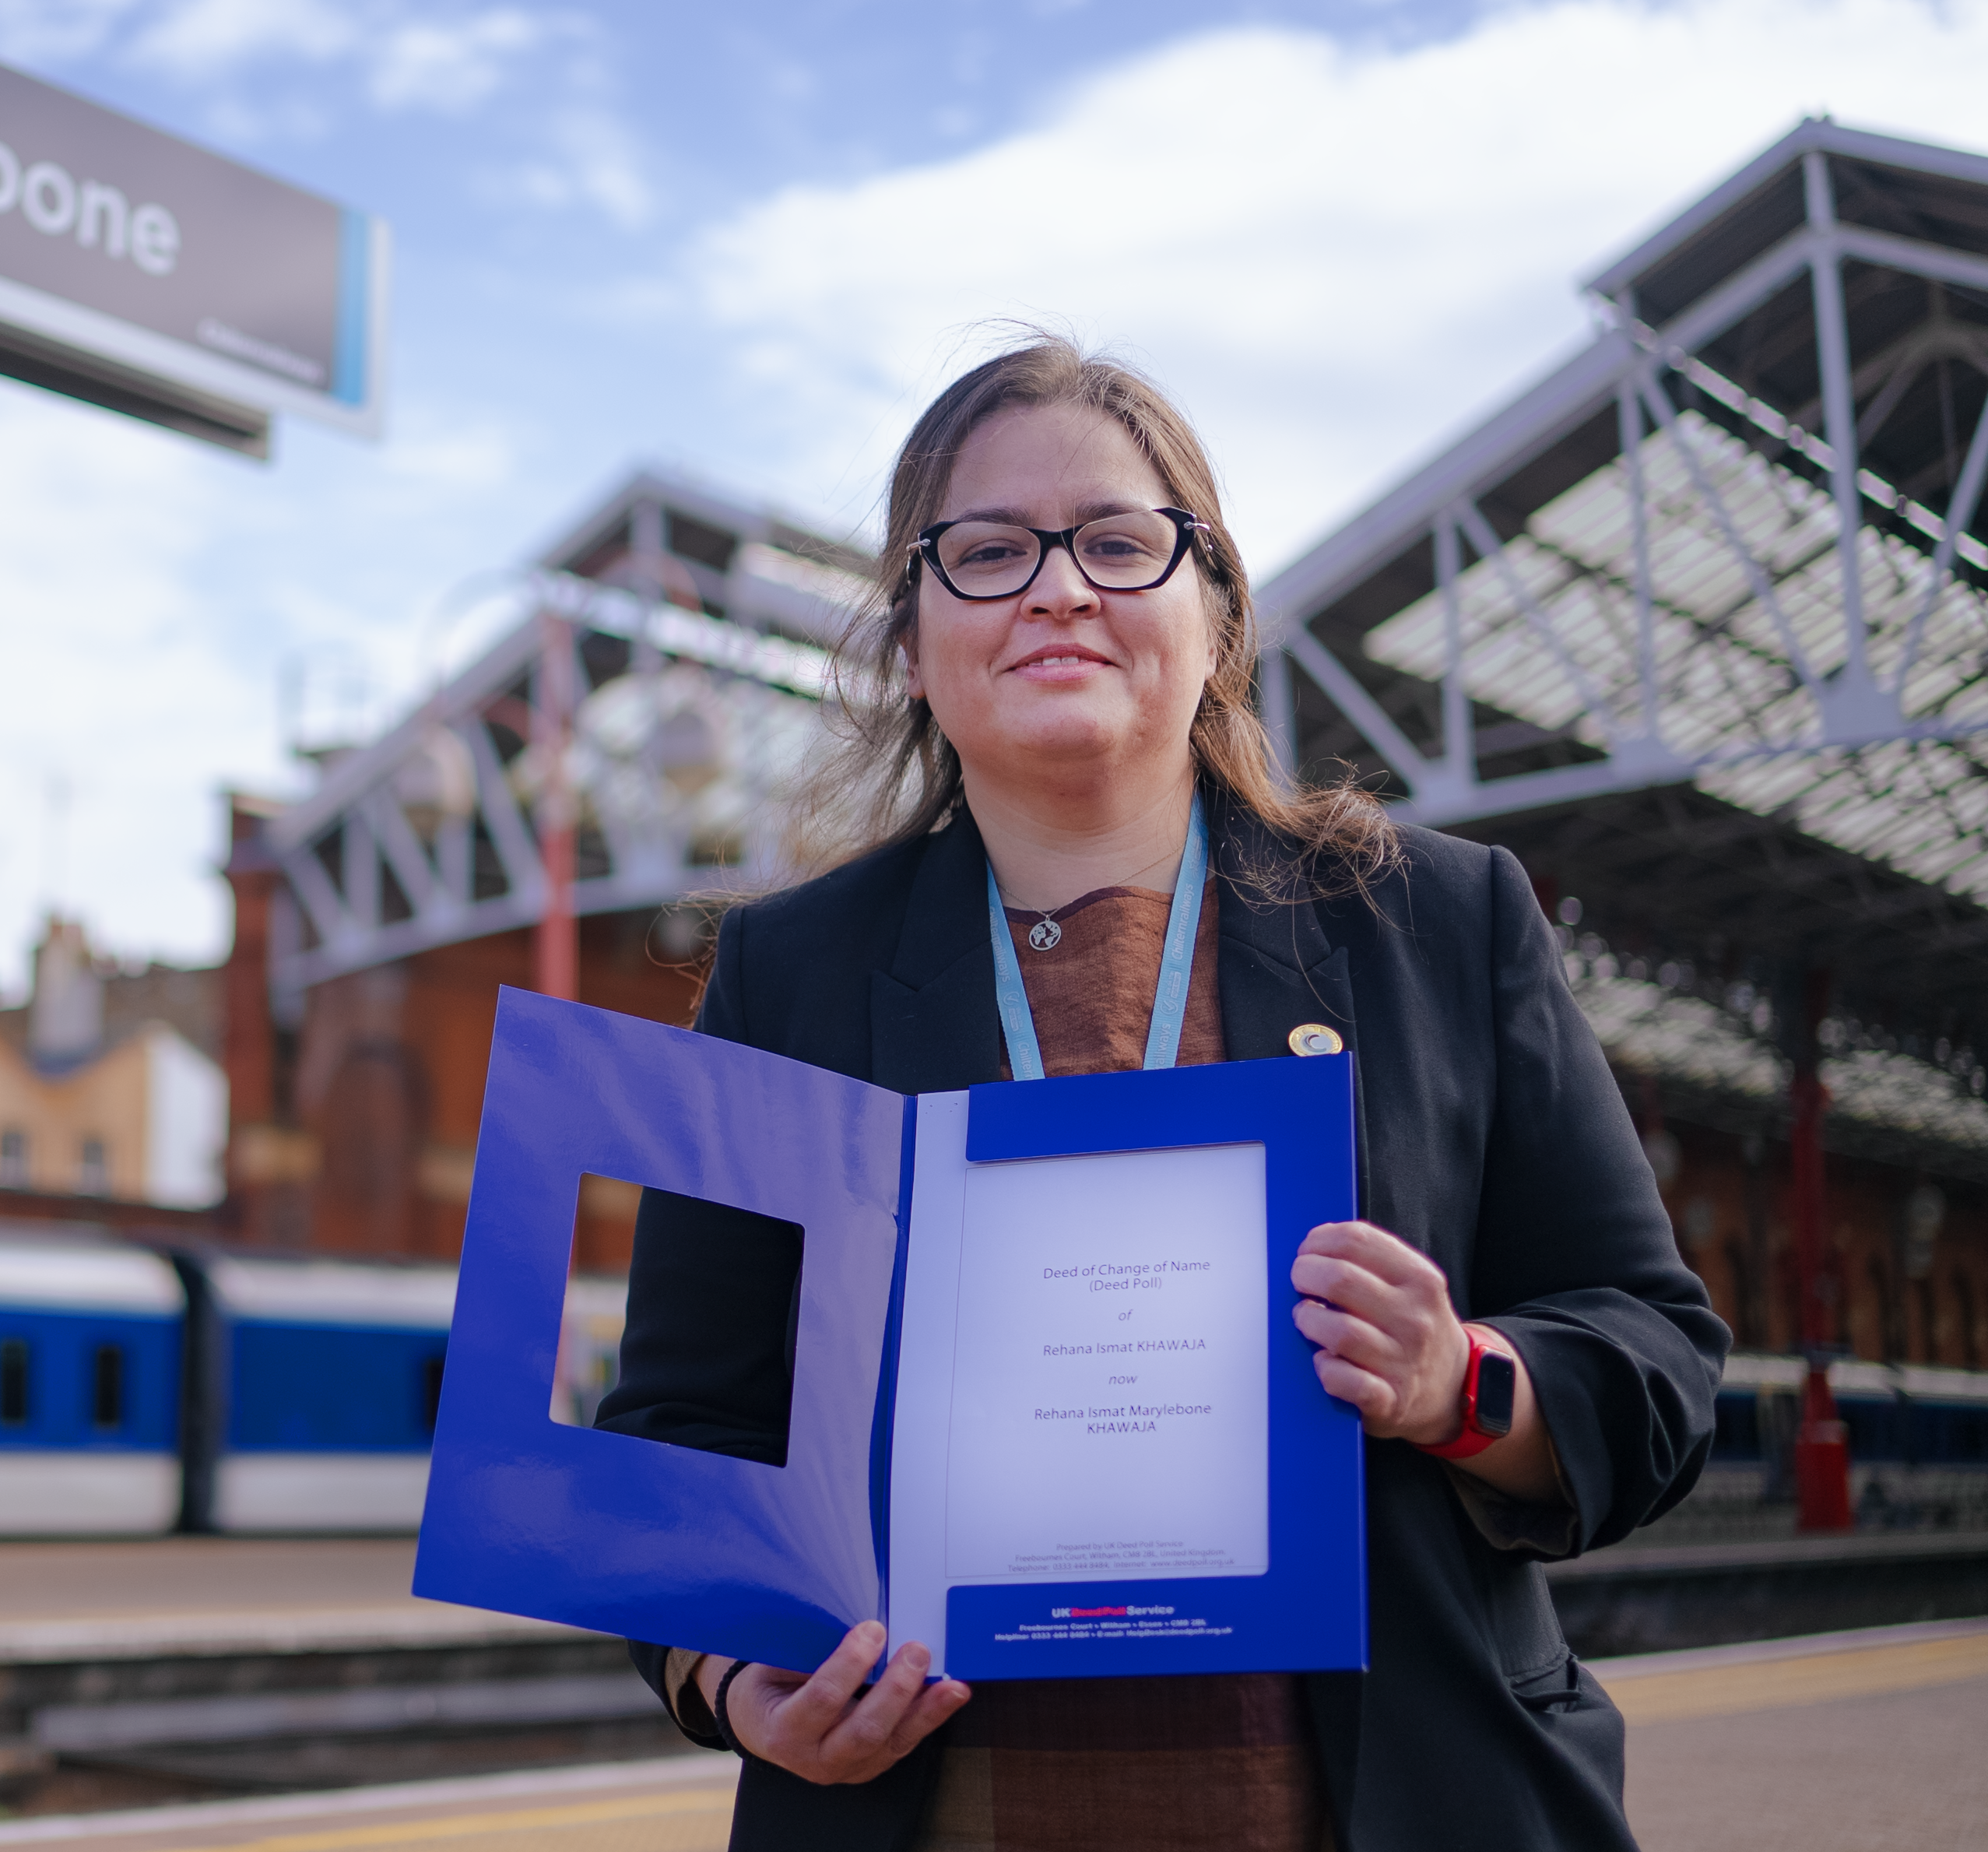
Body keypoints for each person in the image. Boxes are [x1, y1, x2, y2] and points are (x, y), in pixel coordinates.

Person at [595, 336, 1725, 1851]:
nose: (1055, 587)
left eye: (1118, 543)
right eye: (984, 551)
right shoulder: (787, 977)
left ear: (1213, 616)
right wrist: (734, 1680)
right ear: (911, 635)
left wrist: (1459, 1380)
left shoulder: (1434, 925)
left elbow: (1655, 1358)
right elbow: (678, 1421)